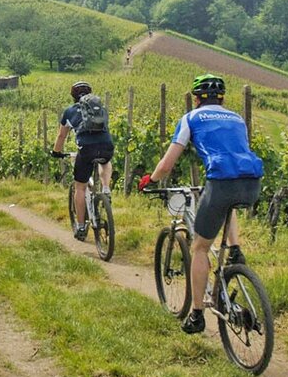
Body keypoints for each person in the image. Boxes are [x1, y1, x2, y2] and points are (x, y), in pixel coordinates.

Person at [138, 74, 263, 334]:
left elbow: (168, 163)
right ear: (223, 99)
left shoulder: (191, 118)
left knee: (199, 248)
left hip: (220, 184)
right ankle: (236, 249)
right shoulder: (237, 118)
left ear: (196, 99)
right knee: (227, 203)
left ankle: (196, 314)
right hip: (252, 183)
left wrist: (151, 179)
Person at [51, 81, 114, 241]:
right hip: (106, 145)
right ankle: (106, 189)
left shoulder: (69, 111)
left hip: (86, 149)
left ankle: (80, 226)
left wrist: (56, 152)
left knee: (80, 187)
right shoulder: (100, 108)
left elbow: (61, 136)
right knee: (105, 161)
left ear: (73, 96)